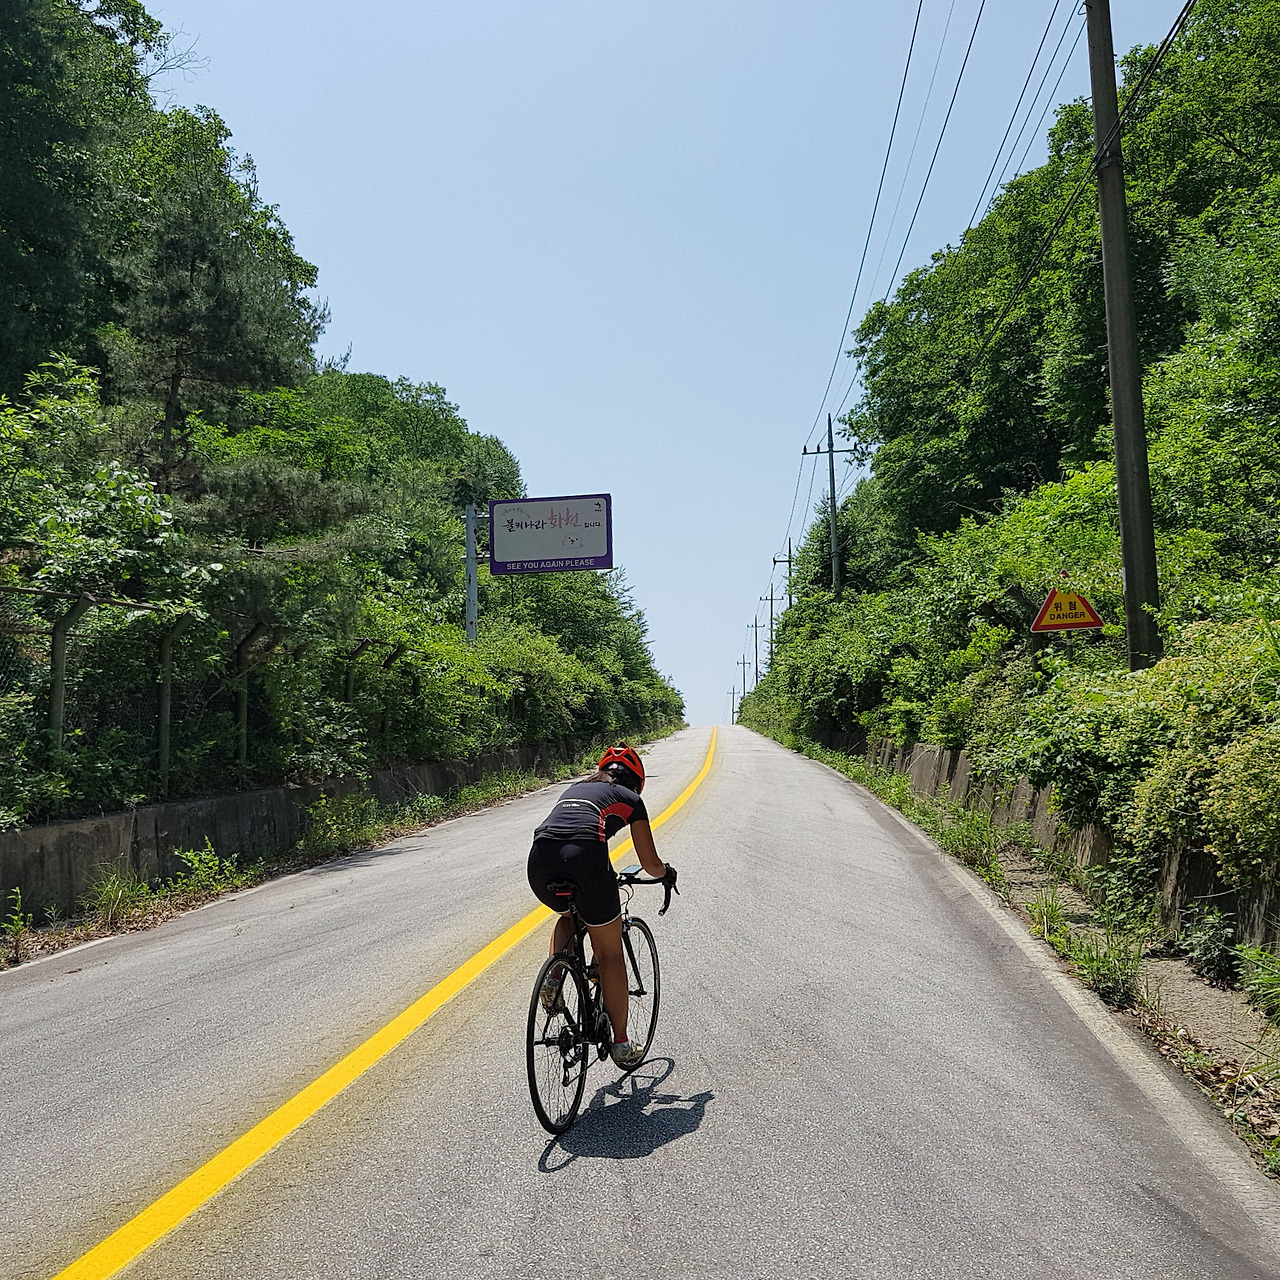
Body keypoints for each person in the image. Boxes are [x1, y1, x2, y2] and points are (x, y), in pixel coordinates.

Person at [527, 743, 673, 1069]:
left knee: (570, 916)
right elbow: (650, 864)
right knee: (609, 955)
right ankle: (621, 1043)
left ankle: (554, 979)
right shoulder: (631, 800)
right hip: (586, 861)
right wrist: (667, 873)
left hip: (539, 861)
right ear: (636, 783)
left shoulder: (576, 788)